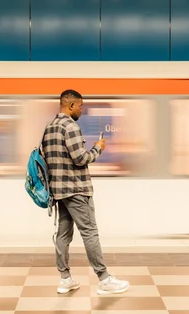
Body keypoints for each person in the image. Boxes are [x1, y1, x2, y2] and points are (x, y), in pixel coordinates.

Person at [41, 89, 130, 295]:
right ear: (70, 105)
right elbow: (80, 159)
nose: (82, 109)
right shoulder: (70, 126)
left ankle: (65, 279)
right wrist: (98, 148)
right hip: (77, 190)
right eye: (80, 105)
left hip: (58, 191)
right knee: (90, 233)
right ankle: (104, 279)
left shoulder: (49, 127)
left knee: (63, 234)